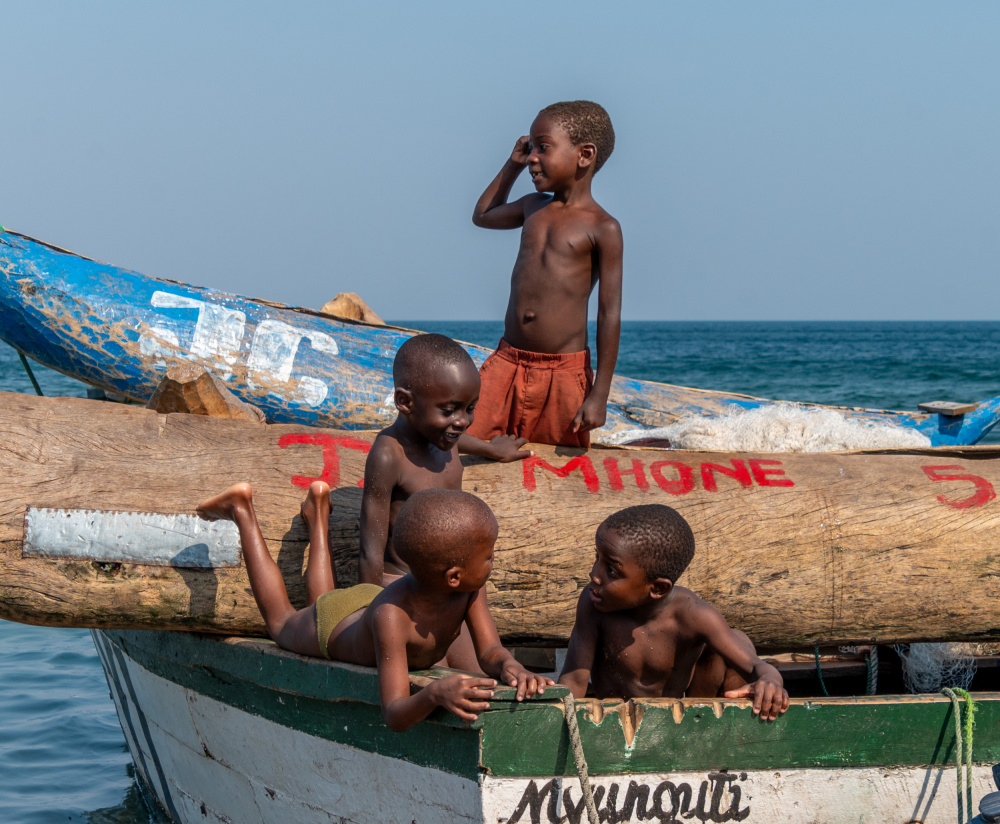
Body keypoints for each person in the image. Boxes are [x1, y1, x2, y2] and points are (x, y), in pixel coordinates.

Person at [197, 483, 551, 732]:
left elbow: (490, 650)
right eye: (489, 556)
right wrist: (433, 694)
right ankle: (241, 510)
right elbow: (395, 714)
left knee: (323, 598)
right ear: (453, 576)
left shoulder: (468, 589)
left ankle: (318, 512)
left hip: (372, 597)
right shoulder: (391, 621)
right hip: (337, 623)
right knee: (281, 621)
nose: (494, 560)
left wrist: (512, 667)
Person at [464, 100, 623, 449]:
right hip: (508, 360)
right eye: (530, 147)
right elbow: (483, 215)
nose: (532, 156)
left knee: (561, 463)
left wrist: (600, 394)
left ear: (585, 155)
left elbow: (609, 313)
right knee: (458, 438)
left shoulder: (603, 227)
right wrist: (512, 164)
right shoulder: (532, 207)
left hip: (564, 373)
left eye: (543, 147)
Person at [558, 504, 789, 721]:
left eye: (611, 569)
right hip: (612, 724)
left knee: (736, 639)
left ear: (657, 588)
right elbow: (574, 680)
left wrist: (770, 681)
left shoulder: (693, 615)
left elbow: (756, 666)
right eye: (597, 557)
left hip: (673, 722)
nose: (594, 575)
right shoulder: (594, 605)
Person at [359, 334, 529, 588]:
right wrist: (368, 611)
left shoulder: (443, 438)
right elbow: (370, 550)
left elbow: (461, 440)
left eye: (470, 408)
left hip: (452, 580)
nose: (462, 421)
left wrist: (493, 451)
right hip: (403, 587)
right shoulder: (389, 455)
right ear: (405, 402)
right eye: (449, 410)